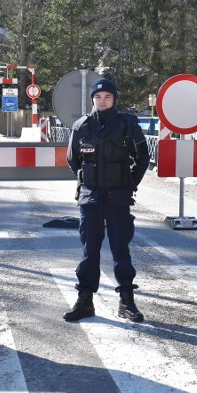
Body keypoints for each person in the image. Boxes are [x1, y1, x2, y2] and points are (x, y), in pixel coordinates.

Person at [64, 78, 150, 323]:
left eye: (108, 97)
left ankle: (126, 301)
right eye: (98, 97)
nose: (102, 101)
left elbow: (142, 156)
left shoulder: (127, 124)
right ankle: (85, 301)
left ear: (114, 99)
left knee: (120, 250)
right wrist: (87, 179)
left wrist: (130, 181)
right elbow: (73, 160)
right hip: (90, 198)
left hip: (118, 196)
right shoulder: (81, 126)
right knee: (89, 252)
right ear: (92, 99)